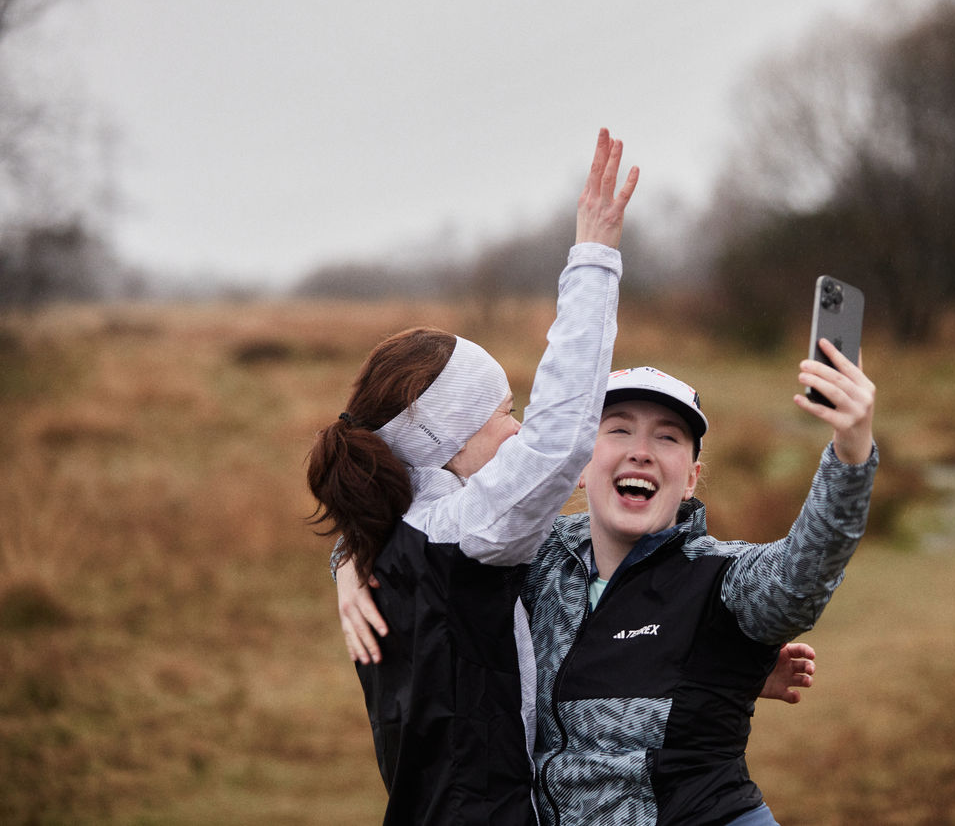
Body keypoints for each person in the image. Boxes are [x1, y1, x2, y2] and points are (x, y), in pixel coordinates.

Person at [309, 128, 637, 825]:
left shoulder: (394, 535)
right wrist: (595, 257)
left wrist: (341, 558)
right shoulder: (464, 532)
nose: (517, 428)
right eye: (502, 412)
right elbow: (561, 436)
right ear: (444, 435)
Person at [520, 352, 876, 826]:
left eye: (667, 437)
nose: (640, 451)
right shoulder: (536, 561)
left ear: (689, 479)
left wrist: (851, 454)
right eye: (619, 430)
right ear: (581, 465)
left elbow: (800, 576)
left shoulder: (720, 575)